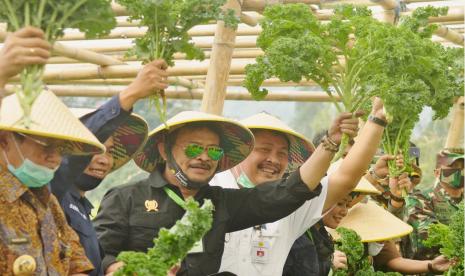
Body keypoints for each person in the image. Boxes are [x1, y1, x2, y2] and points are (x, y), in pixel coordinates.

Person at [93, 105, 366, 276]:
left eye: (213, 150)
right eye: (193, 147)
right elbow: (96, 254)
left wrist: (330, 143)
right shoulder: (126, 198)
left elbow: (285, 193)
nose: (203, 157)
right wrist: (118, 267)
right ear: (165, 149)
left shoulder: (219, 202)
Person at [210, 100, 387, 276]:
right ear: (241, 151)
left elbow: (345, 179)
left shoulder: (291, 203)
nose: (274, 159)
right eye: (264, 149)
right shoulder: (210, 189)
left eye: (282, 153)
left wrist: (377, 120)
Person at [0, 27, 106, 275]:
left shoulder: (48, 204)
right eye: (46, 146)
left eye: (61, 149)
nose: (56, 158)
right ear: (5, 141)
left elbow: (76, 264)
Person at [50, 57, 168, 276]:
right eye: (95, 149)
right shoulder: (51, 193)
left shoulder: (82, 205)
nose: (103, 159)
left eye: (111, 151)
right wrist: (130, 94)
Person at [327, 200, 451, 275]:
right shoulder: (327, 239)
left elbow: (396, 261)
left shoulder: (377, 231)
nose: (382, 240)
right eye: (340, 204)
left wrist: (431, 265)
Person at [404, 149, 464, 260]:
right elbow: (429, 234)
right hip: (431, 268)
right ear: (437, 172)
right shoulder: (420, 198)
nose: (461, 171)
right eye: (454, 167)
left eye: (463, 167)